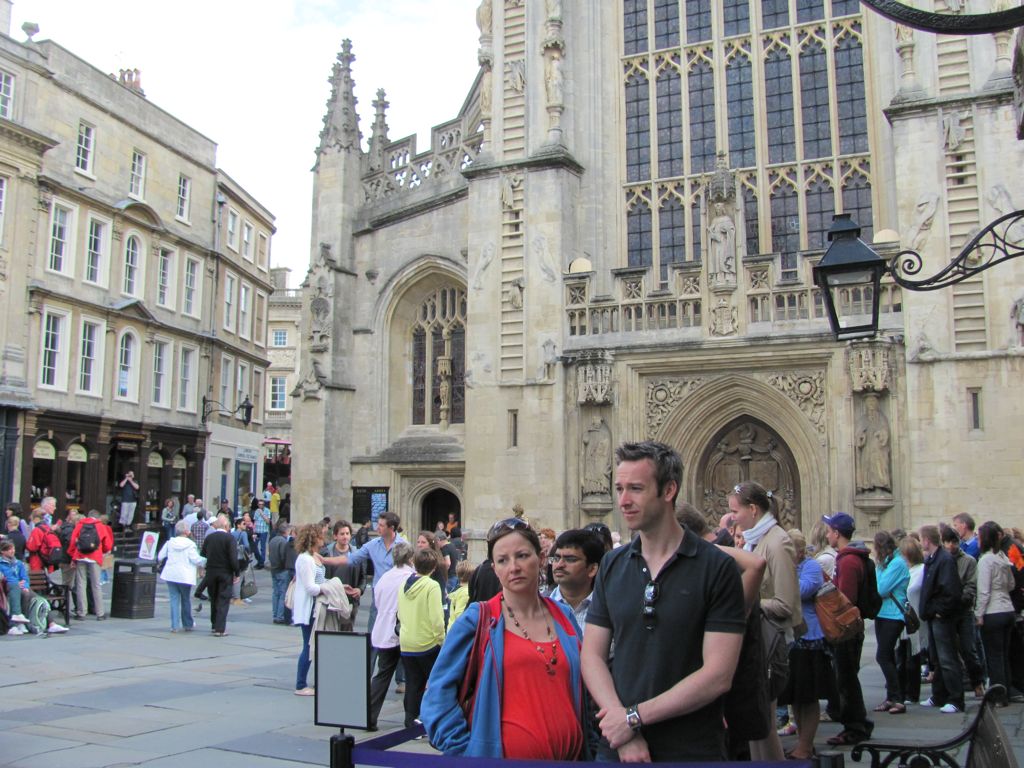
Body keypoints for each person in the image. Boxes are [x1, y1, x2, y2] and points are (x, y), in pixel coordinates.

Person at [582, 441, 746, 762]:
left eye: (636, 489)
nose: (623, 501)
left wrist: (634, 718)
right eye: (619, 488)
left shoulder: (716, 568)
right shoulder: (612, 566)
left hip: (691, 747)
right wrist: (622, 726)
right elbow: (592, 655)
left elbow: (718, 674)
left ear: (669, 489)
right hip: (619, 749)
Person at [423, 519, 589, 759]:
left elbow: (587, 689)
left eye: (522, 556)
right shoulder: (477, 620)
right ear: (494, 568)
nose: (514, 567)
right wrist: (467, 752)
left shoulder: (564, 616)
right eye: (503, 560)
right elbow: (436, 694)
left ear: (541, 558)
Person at [729, 481, 799, 762]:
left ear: (753, 509)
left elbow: (786, 603)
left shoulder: (777, 542)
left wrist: (740, 602)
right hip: (756, 642)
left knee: (765, 727)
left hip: (771, 644)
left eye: (734, 510)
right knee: (757, 728)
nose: (731, 516)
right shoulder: (757, 540)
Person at [777, 529, 835, 760]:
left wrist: (782, 577)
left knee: (808, 696)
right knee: (795, 697)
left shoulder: (810, 567)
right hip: (792, 640)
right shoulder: (791, 567)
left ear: (798, 551)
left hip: (809, 638)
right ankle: (802, 741)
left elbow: (798, 592)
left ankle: (806, 743)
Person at [822, 511, 874, 746]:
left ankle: (855, 726)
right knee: (846, 678)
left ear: (836, 533)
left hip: (846, 630)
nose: (826, 534)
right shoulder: (853, 558)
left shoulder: (848, 560)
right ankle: (857, 722)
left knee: (846, 680)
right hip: (851, 627)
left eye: (829, 530)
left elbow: (846, 598)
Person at [368, 541, 415, 729]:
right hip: (403, 632)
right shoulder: (410, 577)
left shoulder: (385, 577)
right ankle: (411, 720)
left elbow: (378, 603)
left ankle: (369, 717)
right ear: (410, 558)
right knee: (412, 677)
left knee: (382, 675)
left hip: (383, 632)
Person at [919, 524, 966, 713]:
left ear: (927, 540)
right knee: (936, 658)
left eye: (922, 539)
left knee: (947, 658)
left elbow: (951, 591)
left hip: (941, 617)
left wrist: (939, 611)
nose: (920, 542)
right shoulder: (932, 559)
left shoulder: (944, 560)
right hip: (933, 615)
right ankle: (939, 695)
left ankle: (956, 699)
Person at [398, 547, 446, 727]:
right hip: (427, 643)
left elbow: (400, 614)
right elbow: (436, 618)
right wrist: (441, 640)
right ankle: (431, 720)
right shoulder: (431, 586)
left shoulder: (403, 584)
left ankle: (410, 721)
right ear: (434, 567)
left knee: (413, 684)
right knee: (435, 685)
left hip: (407, 641)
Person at [940, 524, 986, 698]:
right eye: (948, 542)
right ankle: (953, 687)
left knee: (969, 650)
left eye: (954, 542)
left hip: (963, 610)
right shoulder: (942, 560)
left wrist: (959, 600)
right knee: (947, 653)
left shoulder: (968, 561)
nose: (951, 546)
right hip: (946, 611)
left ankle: (977, 682)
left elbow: (971, 585)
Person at [975, 521, 1015, 706]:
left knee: (994, 656)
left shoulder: (985, 560)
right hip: (1008, 609)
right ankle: (1006, 691)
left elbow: (984, 591)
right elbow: (1012, 585)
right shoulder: (1002, 558)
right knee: (1003, 655)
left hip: (993, 612)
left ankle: (998, 696)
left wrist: (979, 614)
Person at [872, 530, 911, 714]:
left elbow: (880, 588)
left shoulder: (897, 564)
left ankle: (898, 698)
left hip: (893, 615)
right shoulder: (888, 563)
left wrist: (879, 568)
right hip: (883, 614)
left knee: (883, 656)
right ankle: (891, 697)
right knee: (887, 656)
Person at [548, 528, 603, 635]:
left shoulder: (608, 608)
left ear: (592, 569)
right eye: (556, 558)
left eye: (570, 559)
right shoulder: (539, 606)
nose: (559, 565)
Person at [293, 524, 326, 696]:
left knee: (315, 645)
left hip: (317, 606)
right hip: (310, 608)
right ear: (314, 538)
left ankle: (314, 682)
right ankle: (300, 684)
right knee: (308, 645)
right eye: (321, 535)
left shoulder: (313, 556)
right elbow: (310, 587)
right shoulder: (305, 559)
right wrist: (329, 587)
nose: (323, 538)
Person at [158, 520, 205, 632]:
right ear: (186, 531)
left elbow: (160, 556)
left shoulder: (170, 542)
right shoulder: (190, 544)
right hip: (185, 575)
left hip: (171, 573)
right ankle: (187, 624)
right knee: (185, 599)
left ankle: (174, 625)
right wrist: (205, 560)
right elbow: (196, 559)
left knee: (174, 600)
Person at [897, 536, 926, 706]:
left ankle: (912, 692)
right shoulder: (905, 570)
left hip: (914, 618)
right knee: (902, 655)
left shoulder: (921, 570)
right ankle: (902, 691)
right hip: (902, 618)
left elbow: (911, 589)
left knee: (912, 656)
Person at [69, 508, 113, 621]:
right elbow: (107, 544)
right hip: (95, 557)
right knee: (96, 584)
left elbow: (73, 541)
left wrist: (72, 556)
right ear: (98, 517)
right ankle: (100, 613)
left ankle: (81, 612)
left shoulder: (80, 524)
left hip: (81, 556)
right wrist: (103, 552)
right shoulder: (100, 526)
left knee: (81, 584)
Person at [320, 519, 365, 630]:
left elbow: (363, 577)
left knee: (347, 630)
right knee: (331, 630)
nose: (345, 537)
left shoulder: (357, 554)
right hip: (331, 598)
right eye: (342, 534)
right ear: (335, 536)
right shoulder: (326, 552)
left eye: (347, 533)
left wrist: (360, 590)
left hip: (350, 599)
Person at [200, 516, 239, 637]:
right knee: (223, 600)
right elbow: (233, 558)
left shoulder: (209, 538)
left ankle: (214, 624)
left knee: (214, 599)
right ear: (227, 526)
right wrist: (236, 572)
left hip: (211, 572)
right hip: (225, 573)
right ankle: (220, 628)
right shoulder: (230, 538)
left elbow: (203, 554)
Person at [269, 522, 296, 624]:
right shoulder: (283, 542)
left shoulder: (272, 540)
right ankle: (280, 616)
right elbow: (283, 556)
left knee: (276, 592)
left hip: (274, 569)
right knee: (282, 593)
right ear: (286, 531)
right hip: (282, 570)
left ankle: (275, 614)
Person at [447, 560, 474, 630]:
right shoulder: (466, 593)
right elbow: (460, 615)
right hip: (457, 630)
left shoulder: (455, 589)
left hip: (451, 627)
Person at [253, 499, 272, 569]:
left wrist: (262, 513)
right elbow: (255, 521)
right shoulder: (256, 511)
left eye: (262, 504)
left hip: (264, 531)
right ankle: (259, 560)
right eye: (259, 504)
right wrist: (253, 530)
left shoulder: (267, 511)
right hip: (257, 531)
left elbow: (268, 521)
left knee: (262, 547)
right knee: (254, 547)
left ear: (264, 505)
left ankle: (261, 563)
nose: (260, 506)